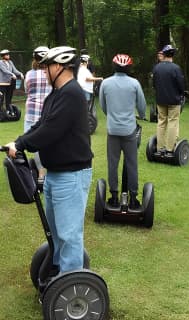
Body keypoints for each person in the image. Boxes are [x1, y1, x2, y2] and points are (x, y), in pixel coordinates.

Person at [5, 46, 93, 274]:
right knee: (56, 232)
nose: (44, 72)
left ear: (60, 67)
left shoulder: (72, 93)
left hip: (71, 175)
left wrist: (23, 145)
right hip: (56, 174)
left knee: (69, 234)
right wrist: (18, 141)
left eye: (47, 67)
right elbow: (42, 124)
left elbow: (51, 130)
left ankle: (71, 286)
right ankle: (56, 274)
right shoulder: (57, 94)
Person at [99, 54, 146, 209]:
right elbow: (141, 105)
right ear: (129, 67)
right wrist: (142, 115)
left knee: (113, 163)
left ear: (114, 67)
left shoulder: (105, 83)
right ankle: (133, 198)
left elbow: (103, 105)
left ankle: (113, 196)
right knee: (132, 164)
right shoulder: (134, 84)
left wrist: (111, 116)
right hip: (129, 130)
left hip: (113, 130)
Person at [24, 46, 52, 183]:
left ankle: (40, 171)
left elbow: (26, 90)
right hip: (47, 112)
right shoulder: (51, 73)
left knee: (34, 145)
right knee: (47, 143)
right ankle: (43, 172)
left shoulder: (29, 74)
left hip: (31, 112)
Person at [152, 44, 185, 155]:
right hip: (174, 100)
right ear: (172, 55)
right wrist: (182, 93)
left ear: (164, 54)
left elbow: (154, 84)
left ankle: (160, 148)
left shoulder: (157, 68)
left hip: (160, 99)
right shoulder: (176, 68)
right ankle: (170, 150)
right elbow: (181, 85)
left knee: (161, 122)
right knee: (173, 122)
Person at [0, 49, 24, 115]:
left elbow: (15, 70)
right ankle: (1, 111)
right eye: (7, 54)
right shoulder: (0, 62)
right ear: (3, 56)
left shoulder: (10, 62)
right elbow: (4, 70)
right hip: (2, 83)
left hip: (9, 83)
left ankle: (8, 110)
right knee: (1, 98)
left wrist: (20, 74)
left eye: (8, 54)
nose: (8, 55)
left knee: (9, 97)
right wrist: (12, 74)